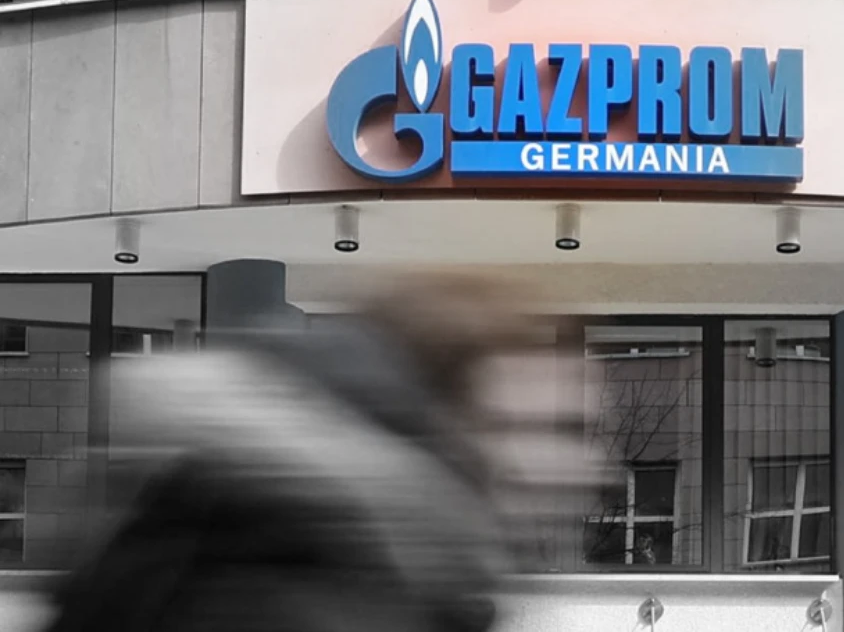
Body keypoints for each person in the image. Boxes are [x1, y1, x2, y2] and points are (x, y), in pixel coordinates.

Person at [39, 270, 594, 632]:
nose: (586, 468)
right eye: (543, 428)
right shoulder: (299, 592)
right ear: (438, 423)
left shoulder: (381, 569)